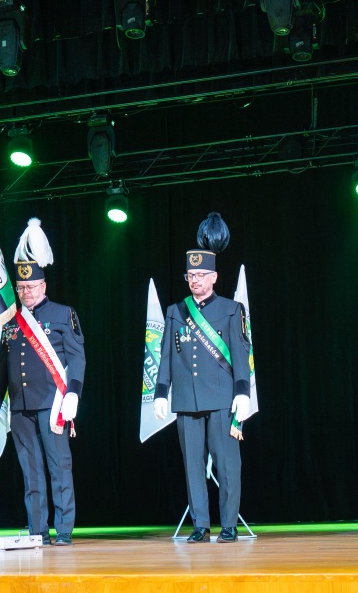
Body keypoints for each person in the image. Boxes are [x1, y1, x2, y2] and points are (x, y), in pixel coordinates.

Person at [154, 212, 252, 544]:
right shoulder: (175, 311)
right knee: (192, 466)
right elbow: (167, 356)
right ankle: (200, 525)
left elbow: (240, 353)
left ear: (214, 277)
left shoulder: (231, 309)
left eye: (200, 275)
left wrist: (242, 392)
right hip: (186, 398)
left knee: (227, 464)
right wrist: (160, 393)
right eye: (190, 275)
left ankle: (229, 525)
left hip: (222, 397)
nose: (194, 280)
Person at [0, 218, 85, 546]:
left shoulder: (62, 314)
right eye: (21, 288)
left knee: (59, 469)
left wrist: (73, 393)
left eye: (31, 287)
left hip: (51, 403)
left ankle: (64, 530)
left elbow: (77, 358)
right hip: (20, 407)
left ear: (43, 286)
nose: (26, 292)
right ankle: (38, 531)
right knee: (31, 474)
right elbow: (1, 367)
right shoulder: (10, 322)